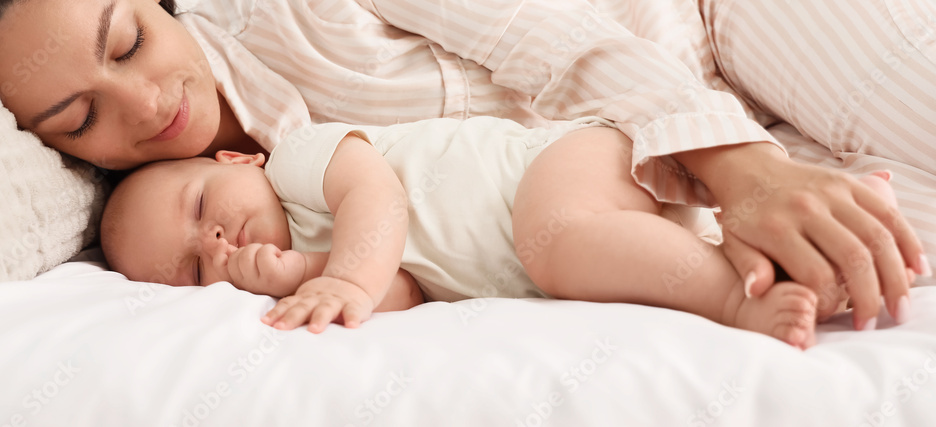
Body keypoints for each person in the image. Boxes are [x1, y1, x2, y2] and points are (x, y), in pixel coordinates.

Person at [0, 0, 933, 335]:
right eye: (78, 118)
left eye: (128, 44)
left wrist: (743, 167)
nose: (147, 106)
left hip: (699, 15)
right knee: (888, 252)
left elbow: (559, 40)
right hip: (670, 196)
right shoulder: (159, 227)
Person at [100, 113, 907, 348]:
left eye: (202, 207)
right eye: (193, 268)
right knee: (571, 250)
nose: (214, 244)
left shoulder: (301, 158)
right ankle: (773, 255)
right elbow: (406, 286)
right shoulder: (316, 256)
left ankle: (733, 299)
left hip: (556, 162)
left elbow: (375, 204)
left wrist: (340, 276)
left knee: (556, 241)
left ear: (236, 158)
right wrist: (300, 278)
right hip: (593, 232)